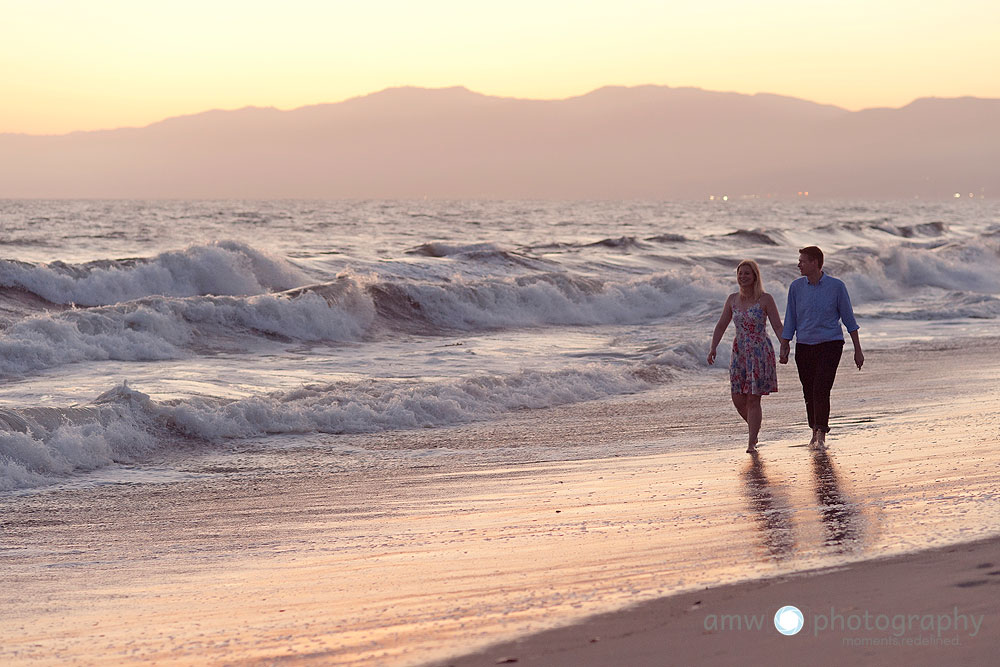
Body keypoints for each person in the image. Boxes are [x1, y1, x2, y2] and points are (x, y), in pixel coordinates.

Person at [778, 246, 863, 448]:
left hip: (831, 344)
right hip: (805, 345)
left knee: (821, 388)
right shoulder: (796, 287)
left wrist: (858, 350)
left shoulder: (836, 286)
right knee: (808, 391)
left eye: (803, 261)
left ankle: (821, 433)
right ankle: (814, 429)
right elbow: (791, 318)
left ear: (815, 262)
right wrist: (785, 344)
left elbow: (849, 319)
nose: (798, 264)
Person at [708, 259, 784, 453]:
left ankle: (751, 441)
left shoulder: (765, 299)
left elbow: (777, 325)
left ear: (755, 276)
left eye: (747, 274)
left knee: (753, 398)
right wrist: (713, 347)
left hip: (759, 351)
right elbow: (721, 325)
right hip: (739, 351)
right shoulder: (732, 299)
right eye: (740, 273)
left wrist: (785, 345)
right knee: (737, 397)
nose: (743, 277)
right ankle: (754, 428)